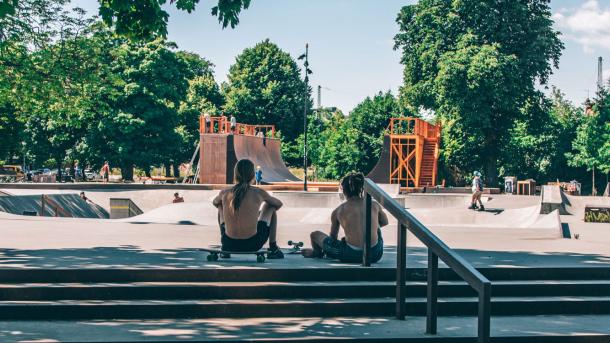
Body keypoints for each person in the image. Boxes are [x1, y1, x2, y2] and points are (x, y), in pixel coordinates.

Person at [302, 172, 389, 263]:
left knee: (314, 235)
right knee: (376, 227)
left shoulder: (338, 211)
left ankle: (317, 253)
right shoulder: (373, 205)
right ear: (362, 189)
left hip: (350, 255)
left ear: (343, 190)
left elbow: (333, 238)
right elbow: (385, 222)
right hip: (374, 254)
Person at [212, 159, 284, 258]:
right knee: (270, 206)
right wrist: (256, 213)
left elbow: (215, 202)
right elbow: (278, 204)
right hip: (253, 244)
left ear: (235, 174)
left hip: (229, 244)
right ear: (252, 174)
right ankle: (273, 248)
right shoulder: (258, 192)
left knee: (220, 206)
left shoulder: (225, 192)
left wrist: (228, 209)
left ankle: (225, 248)